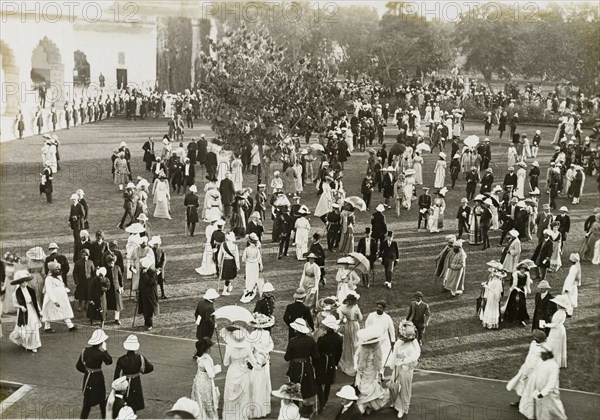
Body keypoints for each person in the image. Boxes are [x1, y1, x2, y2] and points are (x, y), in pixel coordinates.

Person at [524, 344, 568, 420]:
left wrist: (543, 393)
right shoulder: (541, 362)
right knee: (541, 412)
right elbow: (535, 370)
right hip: (540, 392)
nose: (541, 356)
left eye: (543, 354)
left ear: (548, 355)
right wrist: (528, 375)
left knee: (556, 411)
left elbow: (551, 383)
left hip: (550, 394)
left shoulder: (553, 366)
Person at [76, 329, 113, 419]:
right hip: (98, 377)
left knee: (87, 402)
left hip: (88, 376)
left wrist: (87, 371)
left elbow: (78, 366)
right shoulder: (101, 354)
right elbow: (109, 361)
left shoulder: (85, 351)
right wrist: (105, 350)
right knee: (101, 399)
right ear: (101, 342)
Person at [507, 330, 547, 411]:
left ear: (540, 339)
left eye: (536, 337)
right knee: (522, 386)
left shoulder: (544, 349)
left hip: (535, 371)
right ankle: (520, 402)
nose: (534, 338)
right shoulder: (533, 343)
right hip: (526, 368)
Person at [114, 335, 154, 414]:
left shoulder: (121, 359)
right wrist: (140, 371)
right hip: (136, 381)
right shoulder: (140, 358)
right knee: (135, 400)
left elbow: (116, 375)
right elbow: (150, 368)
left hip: (125, 381)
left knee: (125, 401)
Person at [221, 326, 255, 420]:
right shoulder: (248, 348)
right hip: (243, 372)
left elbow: (226, 363)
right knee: (242, 394)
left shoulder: (229, 348)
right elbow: (253, 362)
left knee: (231, 393)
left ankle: (230, 416)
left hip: (233, 371)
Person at [389, 321, 421, 419]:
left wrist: (403, 361)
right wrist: (392, 363)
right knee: (393, 384)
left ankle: (402, 408)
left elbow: (416, 355)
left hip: (407, 368)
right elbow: (394, 352)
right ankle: (394, 402)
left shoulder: (414, 343)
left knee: (404, 388)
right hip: (397, 367)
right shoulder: (399, 341)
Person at [354, 326, 389, 415]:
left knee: (372, 389)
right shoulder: (362, 347)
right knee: (363, 389)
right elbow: (356, 355)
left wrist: (380, 370)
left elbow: (380, 361)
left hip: (373, 372)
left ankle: (369, 406)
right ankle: (363, 406)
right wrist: (355, 365)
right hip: (363, 371)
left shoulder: (377, 348)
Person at [284, 318, 320, 400]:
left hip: (295, 367)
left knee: (294, 389)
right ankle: (305, 408)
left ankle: (295, 406)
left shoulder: (293, 341)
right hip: (307, 366)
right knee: (306, 388)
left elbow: (287, 358)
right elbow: (316, 356)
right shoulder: (311, 340)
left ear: (296, 330)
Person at [248, 314, 275, 418]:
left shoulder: (252, 334)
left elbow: (250, 348)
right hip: (264, 359)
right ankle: (264, 399)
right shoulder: (267, 333)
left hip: (256, 359)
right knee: (264, 379)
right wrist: (265, 352)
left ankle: (254, 403)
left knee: (255, 381)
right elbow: (271, 345)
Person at [9, 270, 42, 353]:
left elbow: (35, 301)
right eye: (22, 283)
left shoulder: (30, 290)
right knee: (26, 326)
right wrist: (21, 306)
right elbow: (14, 304)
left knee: (34, 326)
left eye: (26, 282)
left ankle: (34, 344)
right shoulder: (17, 293)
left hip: (32, 309)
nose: (24, 284)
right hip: (24, 311)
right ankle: (27, 344)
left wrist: (39, 310)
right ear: (19, 283)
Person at [315, 315, 343, 412]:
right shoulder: (339, 338)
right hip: (331, 361)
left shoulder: (322, 338)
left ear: (327, 327)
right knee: (328, 382)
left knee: (318, 381)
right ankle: (325, 401)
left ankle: (322, 402)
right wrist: (335, 363)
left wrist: (315, 363)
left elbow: (317, 351)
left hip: (322, 361)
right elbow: (339, 352)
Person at [41, 261, 76, 332]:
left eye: (58, 269)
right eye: (56, 269)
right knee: (48, 312)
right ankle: (47, 327)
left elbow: (62, 285)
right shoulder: (49, 279)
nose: (58, 270)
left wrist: (66, 290)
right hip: (52, 299)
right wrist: (54, 300)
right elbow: (49, 290)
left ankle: (70, 325)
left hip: (61, 298)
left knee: (64, 310)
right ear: (52, 270)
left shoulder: (59, 277)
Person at [191, 338, 220, 420]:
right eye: (209, 347)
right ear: (205, 349)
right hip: (205, 381)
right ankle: (206, 417)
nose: (211, 349)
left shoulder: (200, 357)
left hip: (199, 379)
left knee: (199, 397)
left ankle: (199, 414)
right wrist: (217, 369)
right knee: (206, 398)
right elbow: (211, 375)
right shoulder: (206, 359)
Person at [337, 292, 362, 376]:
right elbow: (360, 319)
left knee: (347, 343)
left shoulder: (343, 308)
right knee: (355, 343)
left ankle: (347, 361)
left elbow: (341, 318)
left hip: (347, 325)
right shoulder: (356, 309)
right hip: (354, 325)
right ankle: (356, 362)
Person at [365, 300, 395, 367]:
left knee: (383, 356)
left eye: (380, 308)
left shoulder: (387, 317)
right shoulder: (371, 315)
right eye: (377, 307)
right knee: (373, 356)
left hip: (384, 340)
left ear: (384, 309)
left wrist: (393, 340)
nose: (378, 309)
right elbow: (367, 325)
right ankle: (374, 372)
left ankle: (381, 371)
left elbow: (391, 329)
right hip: (374, 339)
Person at [546, 295, 569, 368]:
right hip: (555, 330)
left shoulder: (562, 313)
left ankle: (555, 362)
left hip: (558, 330)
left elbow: (556, 324)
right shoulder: (559, 311)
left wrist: (546, 325)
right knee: (551, 344)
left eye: (558, 304)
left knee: (555, 346)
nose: (557, 305)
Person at [479, 261, 505, 329]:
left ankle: (492, 322)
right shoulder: (492, 279)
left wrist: (487, 287)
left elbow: (497, 291)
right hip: (490, 295)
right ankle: (488, 322)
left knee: (492, 308)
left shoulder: (498, 282)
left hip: (493, 296)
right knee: (488, 307)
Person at [138, 255, 159, 331]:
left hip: (150, 294)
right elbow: (141, 282)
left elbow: (149, 282)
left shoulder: (152, 272)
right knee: (144, 308)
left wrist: (145, 274)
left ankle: (150, 324)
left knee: (149, 309)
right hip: (143, 293)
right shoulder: (142, 272)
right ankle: (146, 323)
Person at [241, 233, 262, 302]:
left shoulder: (247, 249)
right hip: (254, 264)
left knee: (249, 276)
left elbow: (243, 259)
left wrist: (248, 259)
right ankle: (252, 290)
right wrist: (261, 265)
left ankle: (249, 289)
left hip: (249, 264)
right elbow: (259, 258)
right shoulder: (257, 249)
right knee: (254, 277)